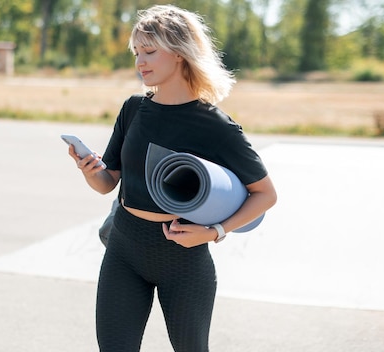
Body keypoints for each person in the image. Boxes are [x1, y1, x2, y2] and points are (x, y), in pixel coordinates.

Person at [67, 4, 277, 352]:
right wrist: (91, 171)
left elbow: (266, 194)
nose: (140, 62)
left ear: (180, 54)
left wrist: (215, 231)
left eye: (149, 52)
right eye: (137, 53)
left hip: (183, 258)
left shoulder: (215, 125)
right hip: (123, 247)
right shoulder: (134, 109)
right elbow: (109, 182)